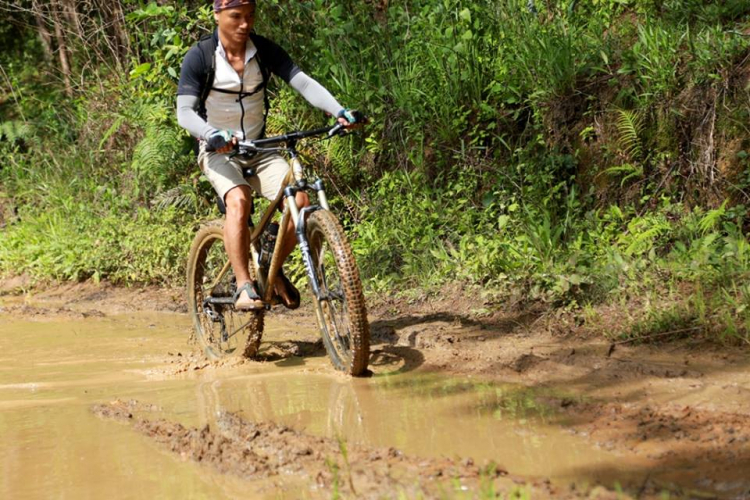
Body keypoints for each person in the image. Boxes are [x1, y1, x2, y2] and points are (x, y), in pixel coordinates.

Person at [176, 0, 359, 310]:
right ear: (217, 15)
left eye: (250, 16)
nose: (245, 24)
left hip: (259, 148)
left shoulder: (262, 50)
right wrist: (212, 134)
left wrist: (338, 110)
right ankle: (245, 287)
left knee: (299, 199)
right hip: (218, 150)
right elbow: (184, 113)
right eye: (236, 16)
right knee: (239, 199)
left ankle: (268, 263)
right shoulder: (201, 56)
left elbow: (302, 82)